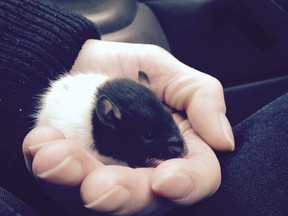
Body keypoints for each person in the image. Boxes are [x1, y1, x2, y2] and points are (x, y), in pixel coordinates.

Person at [1, 0, 288, 216]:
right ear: (110, 118)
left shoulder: (124, 103)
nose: (178, 145)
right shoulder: (94, 127)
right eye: (150, 135)